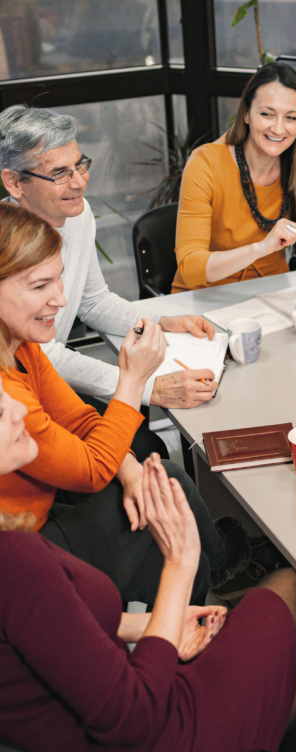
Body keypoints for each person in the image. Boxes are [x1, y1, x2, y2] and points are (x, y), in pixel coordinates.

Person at [0, 389, 296, 752]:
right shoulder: (16, 561)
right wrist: (180, 562)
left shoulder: (15, 552)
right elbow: (136, 721)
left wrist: (155, 625)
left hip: (109, 702)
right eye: (0, 412)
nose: (20, 408)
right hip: (162, 727)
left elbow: (51, 632)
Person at [0, 204, 252, 606]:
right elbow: (92, 471)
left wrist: (132, 473)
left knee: (168, 517)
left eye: (59, 281)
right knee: (167, 487)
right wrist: (132, 380)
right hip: (22, 556)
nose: (61, 300)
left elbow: (81, 420)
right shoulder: (7, 397)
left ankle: (200, 601)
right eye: (39, 286)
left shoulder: (22, 346)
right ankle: (221, 571)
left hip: (40, 517)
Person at [0, 104, 220, 461]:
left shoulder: (77, 212)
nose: (79, 182)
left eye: (79, 165)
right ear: (13, 182)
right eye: (59, 173)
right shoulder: (7, 247)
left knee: (143, 438)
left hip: (53, 379)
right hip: (19, 394)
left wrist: (158, 322)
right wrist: (149, 388)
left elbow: (92, 300)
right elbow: (41, 355)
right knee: (146, 448)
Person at [172, 62, 296, 302]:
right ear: (246, 114)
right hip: (203, 299)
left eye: (291, 117)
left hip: (272, 296)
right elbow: (190, 268)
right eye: (267, 114)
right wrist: (260, 248)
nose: (279, 128)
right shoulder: (205, 163)